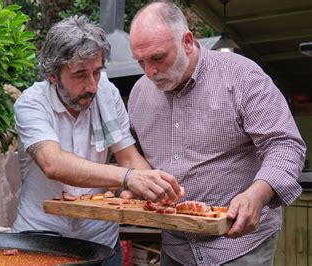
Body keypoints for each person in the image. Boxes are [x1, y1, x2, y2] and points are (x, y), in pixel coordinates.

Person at [127, 2, 307, 265]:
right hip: (175, 246)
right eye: (140, 61)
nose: (149, 72)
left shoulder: (241, 75)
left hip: (239, 244)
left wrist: (258, 193)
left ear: (187, 41)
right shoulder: (139, 94)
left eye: (157, 58)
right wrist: (136, 185)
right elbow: (135, 157)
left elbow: (285, 144)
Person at [12, 15, 184, 265]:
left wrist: (151, 185)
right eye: (80, 74)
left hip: (101, 239)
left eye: (97, 71)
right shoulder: (31, 103)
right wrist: (127, 178)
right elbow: (53, 164)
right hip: (42, 236)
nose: (92, 85)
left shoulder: (106, 92)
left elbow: (128, 156)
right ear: (52, 75)